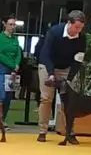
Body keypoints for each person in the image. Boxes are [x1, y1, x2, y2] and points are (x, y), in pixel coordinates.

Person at [36, 10, 86, 143]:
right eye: (76, 27)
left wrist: (69, 78)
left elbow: (78, 60)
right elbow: (45, 53)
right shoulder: (54, 32)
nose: (78, 30)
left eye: (81, 28)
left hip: (67, 68)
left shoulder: (82, 37)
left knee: (69, 101)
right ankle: (42, 131)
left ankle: (69, 132)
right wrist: (51, 74)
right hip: (48, 65)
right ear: (69, 23)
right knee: (46, 98)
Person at [0, 16, 23, 121]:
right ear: (4, 24)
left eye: (14, 24)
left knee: (9, 96)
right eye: (10, 24)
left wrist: (17, 64)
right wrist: (13, 64)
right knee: (1, 95)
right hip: (2, 68)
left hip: (13, 70)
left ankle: (3, 120)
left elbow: (19, 53)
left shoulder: (15, 39)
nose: (13, 27)